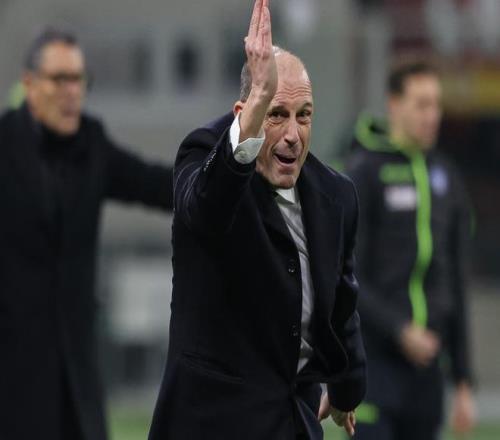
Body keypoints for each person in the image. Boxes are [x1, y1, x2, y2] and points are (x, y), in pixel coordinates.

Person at [148, 1, 366, 439]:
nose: (293, 134)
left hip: (291, 422)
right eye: (276, 114)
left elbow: (341, 306)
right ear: (243, 113)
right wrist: (254, 113)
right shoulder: (205, 157)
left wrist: (346, 391)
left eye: (304, 115)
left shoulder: (335, 195)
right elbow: (204, 214)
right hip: (210, 424)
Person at [0, 28, 173, 440]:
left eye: (79, 79)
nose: (72, 91)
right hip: (13, 381)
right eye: (60, 79)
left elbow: (154, 184)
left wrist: (230, 173)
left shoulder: (91, 144)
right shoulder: (4, 145)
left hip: (78, 382)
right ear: (29, 84)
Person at [345, 59, 476, 439]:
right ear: (394, 104)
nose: (432, 115)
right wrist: (399, 330)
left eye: (436, 104)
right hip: (374, 367)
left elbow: (456, 281)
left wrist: (463, 379)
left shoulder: (446, 177)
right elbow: (346, 273)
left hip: (427, 375)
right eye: (422, 104)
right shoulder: (364, 171)